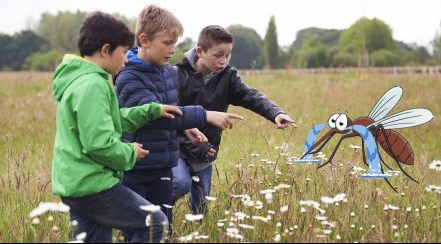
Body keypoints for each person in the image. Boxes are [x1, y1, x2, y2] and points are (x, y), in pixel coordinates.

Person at [51, 11, 182, 243]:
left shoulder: (80, 79)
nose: (126, 59)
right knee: (155, 223)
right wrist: (131, 152)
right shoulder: (93, 85)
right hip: (93, 184)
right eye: (123, 52)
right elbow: (98, 144)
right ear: (105, 50)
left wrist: (151, 110)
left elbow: (109, 121)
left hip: (76, 183)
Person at [114, 5, 242, 235]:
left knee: (164, 229)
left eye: (175, 43)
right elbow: (157, 116)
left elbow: (174, 110)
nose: (173, 50)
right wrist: (205, 115)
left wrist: (187, 128)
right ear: (144, 40)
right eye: (167, 43)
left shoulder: (169, 72)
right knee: (140, 231)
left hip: (164, 164)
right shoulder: (128, 77)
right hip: (136, 167)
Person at [173, 25, 297, 215]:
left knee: (201, 209)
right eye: (218, 55)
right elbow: (172, 115)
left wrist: (276, 113)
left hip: (206, 154)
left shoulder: (228, 77)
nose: (223, 61)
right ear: (200, 51)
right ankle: (155, 217)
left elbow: (251, 96)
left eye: (228, 55)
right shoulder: (177, 75)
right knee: (178, 184)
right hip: (178, 149)